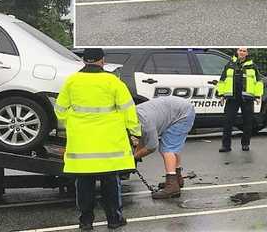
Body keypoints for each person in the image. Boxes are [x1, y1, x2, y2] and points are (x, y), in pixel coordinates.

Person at [54, 48, 140, 231]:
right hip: (110, 145)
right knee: (111, 184)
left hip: (82, 145)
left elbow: (59, 110)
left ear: (84, 60)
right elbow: (128, 109)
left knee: (84, 185)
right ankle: (114, 220)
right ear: (102, 61)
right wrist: (135, 133)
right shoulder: (112, 81)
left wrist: (74, 120)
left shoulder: (72, 81)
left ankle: (86, 222)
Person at [132, 96, 196, 199]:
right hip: (181, 109)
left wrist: (133, 158)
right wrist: (136, 153)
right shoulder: (134, 114)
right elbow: (143, 139)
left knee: (167, 149)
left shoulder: (145, 122)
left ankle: (172, 186)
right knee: (174, 147)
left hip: (182, 114)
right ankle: (177, 178)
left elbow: (151, 146)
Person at [216, 48, 264, 152]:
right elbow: (222, 80)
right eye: (240, 50)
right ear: (237, 52)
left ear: (247, 53)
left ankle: (245, 144)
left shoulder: (252, 66)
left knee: (247, 122)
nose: (242, 52)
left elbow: (258, 82)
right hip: (232, 98)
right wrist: (221, 95)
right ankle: (226, 146)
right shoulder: (229, 65)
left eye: (244, 51)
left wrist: (257, 96)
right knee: (228, 121)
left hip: (247, 98)